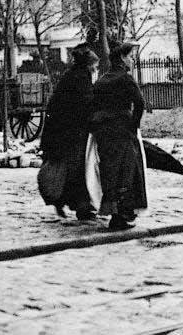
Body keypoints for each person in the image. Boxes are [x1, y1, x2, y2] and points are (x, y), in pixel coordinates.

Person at [89, 41, 148, 230]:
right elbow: (139, 103)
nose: (132, 60)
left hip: (103, 133)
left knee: (109, 172)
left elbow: (92, 106)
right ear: (122, 57)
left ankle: (114, 212)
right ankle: (121, 215)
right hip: (122, 131)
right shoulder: (126, 79)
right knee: (126, 172)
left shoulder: (101, 81)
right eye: (130, 56)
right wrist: (133, 125)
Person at [39, 44, 99, 221]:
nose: (96, 70)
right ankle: (81, 206)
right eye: (94, 66)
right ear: (88, 65)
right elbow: (85, 105)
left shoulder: (71, 76)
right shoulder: (81, 79)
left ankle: (65, 202)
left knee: (67, 169)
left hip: (59, 132)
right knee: (77, 168)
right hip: (70, 133)